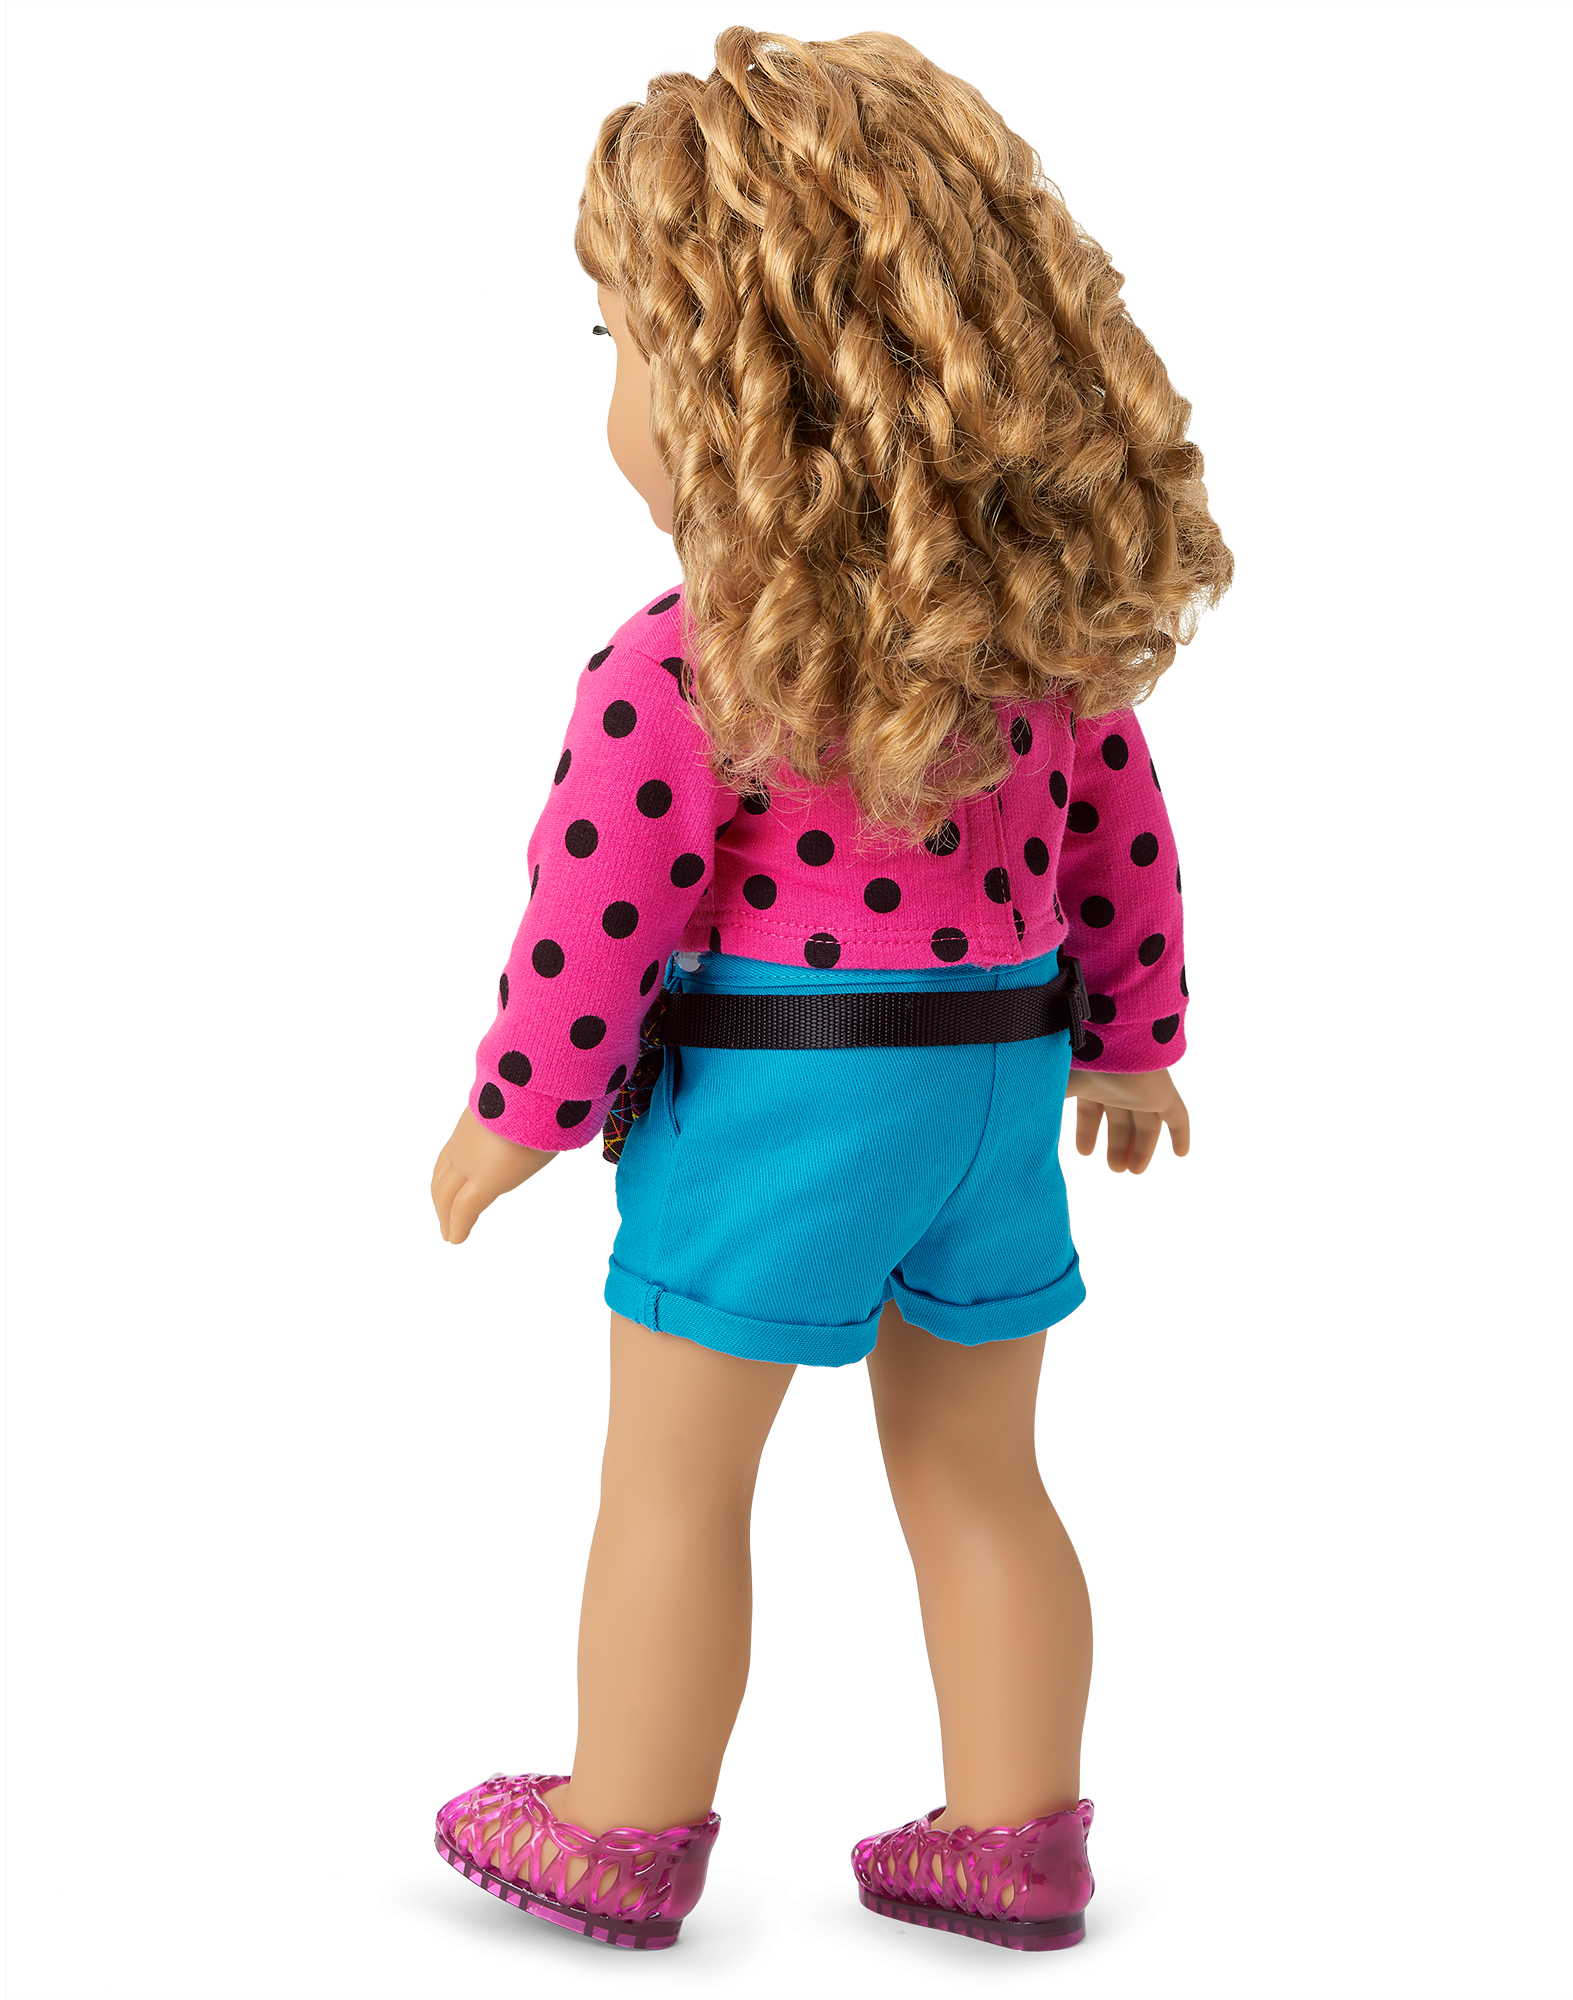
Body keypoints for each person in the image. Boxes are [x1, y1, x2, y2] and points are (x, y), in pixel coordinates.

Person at [427, 27, 1231, 1953]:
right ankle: (1020, 1844)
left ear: (738, 387)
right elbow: (1126, 841)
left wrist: (517, 1113)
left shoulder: (684, 666)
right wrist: (1133, 1048)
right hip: (994, 1087)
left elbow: (595, 915)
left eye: (626, 348)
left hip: (786, 1101)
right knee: (984, 1475)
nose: (615, 398)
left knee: (676, 1477)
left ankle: (622, 1832)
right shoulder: (1036, 659)